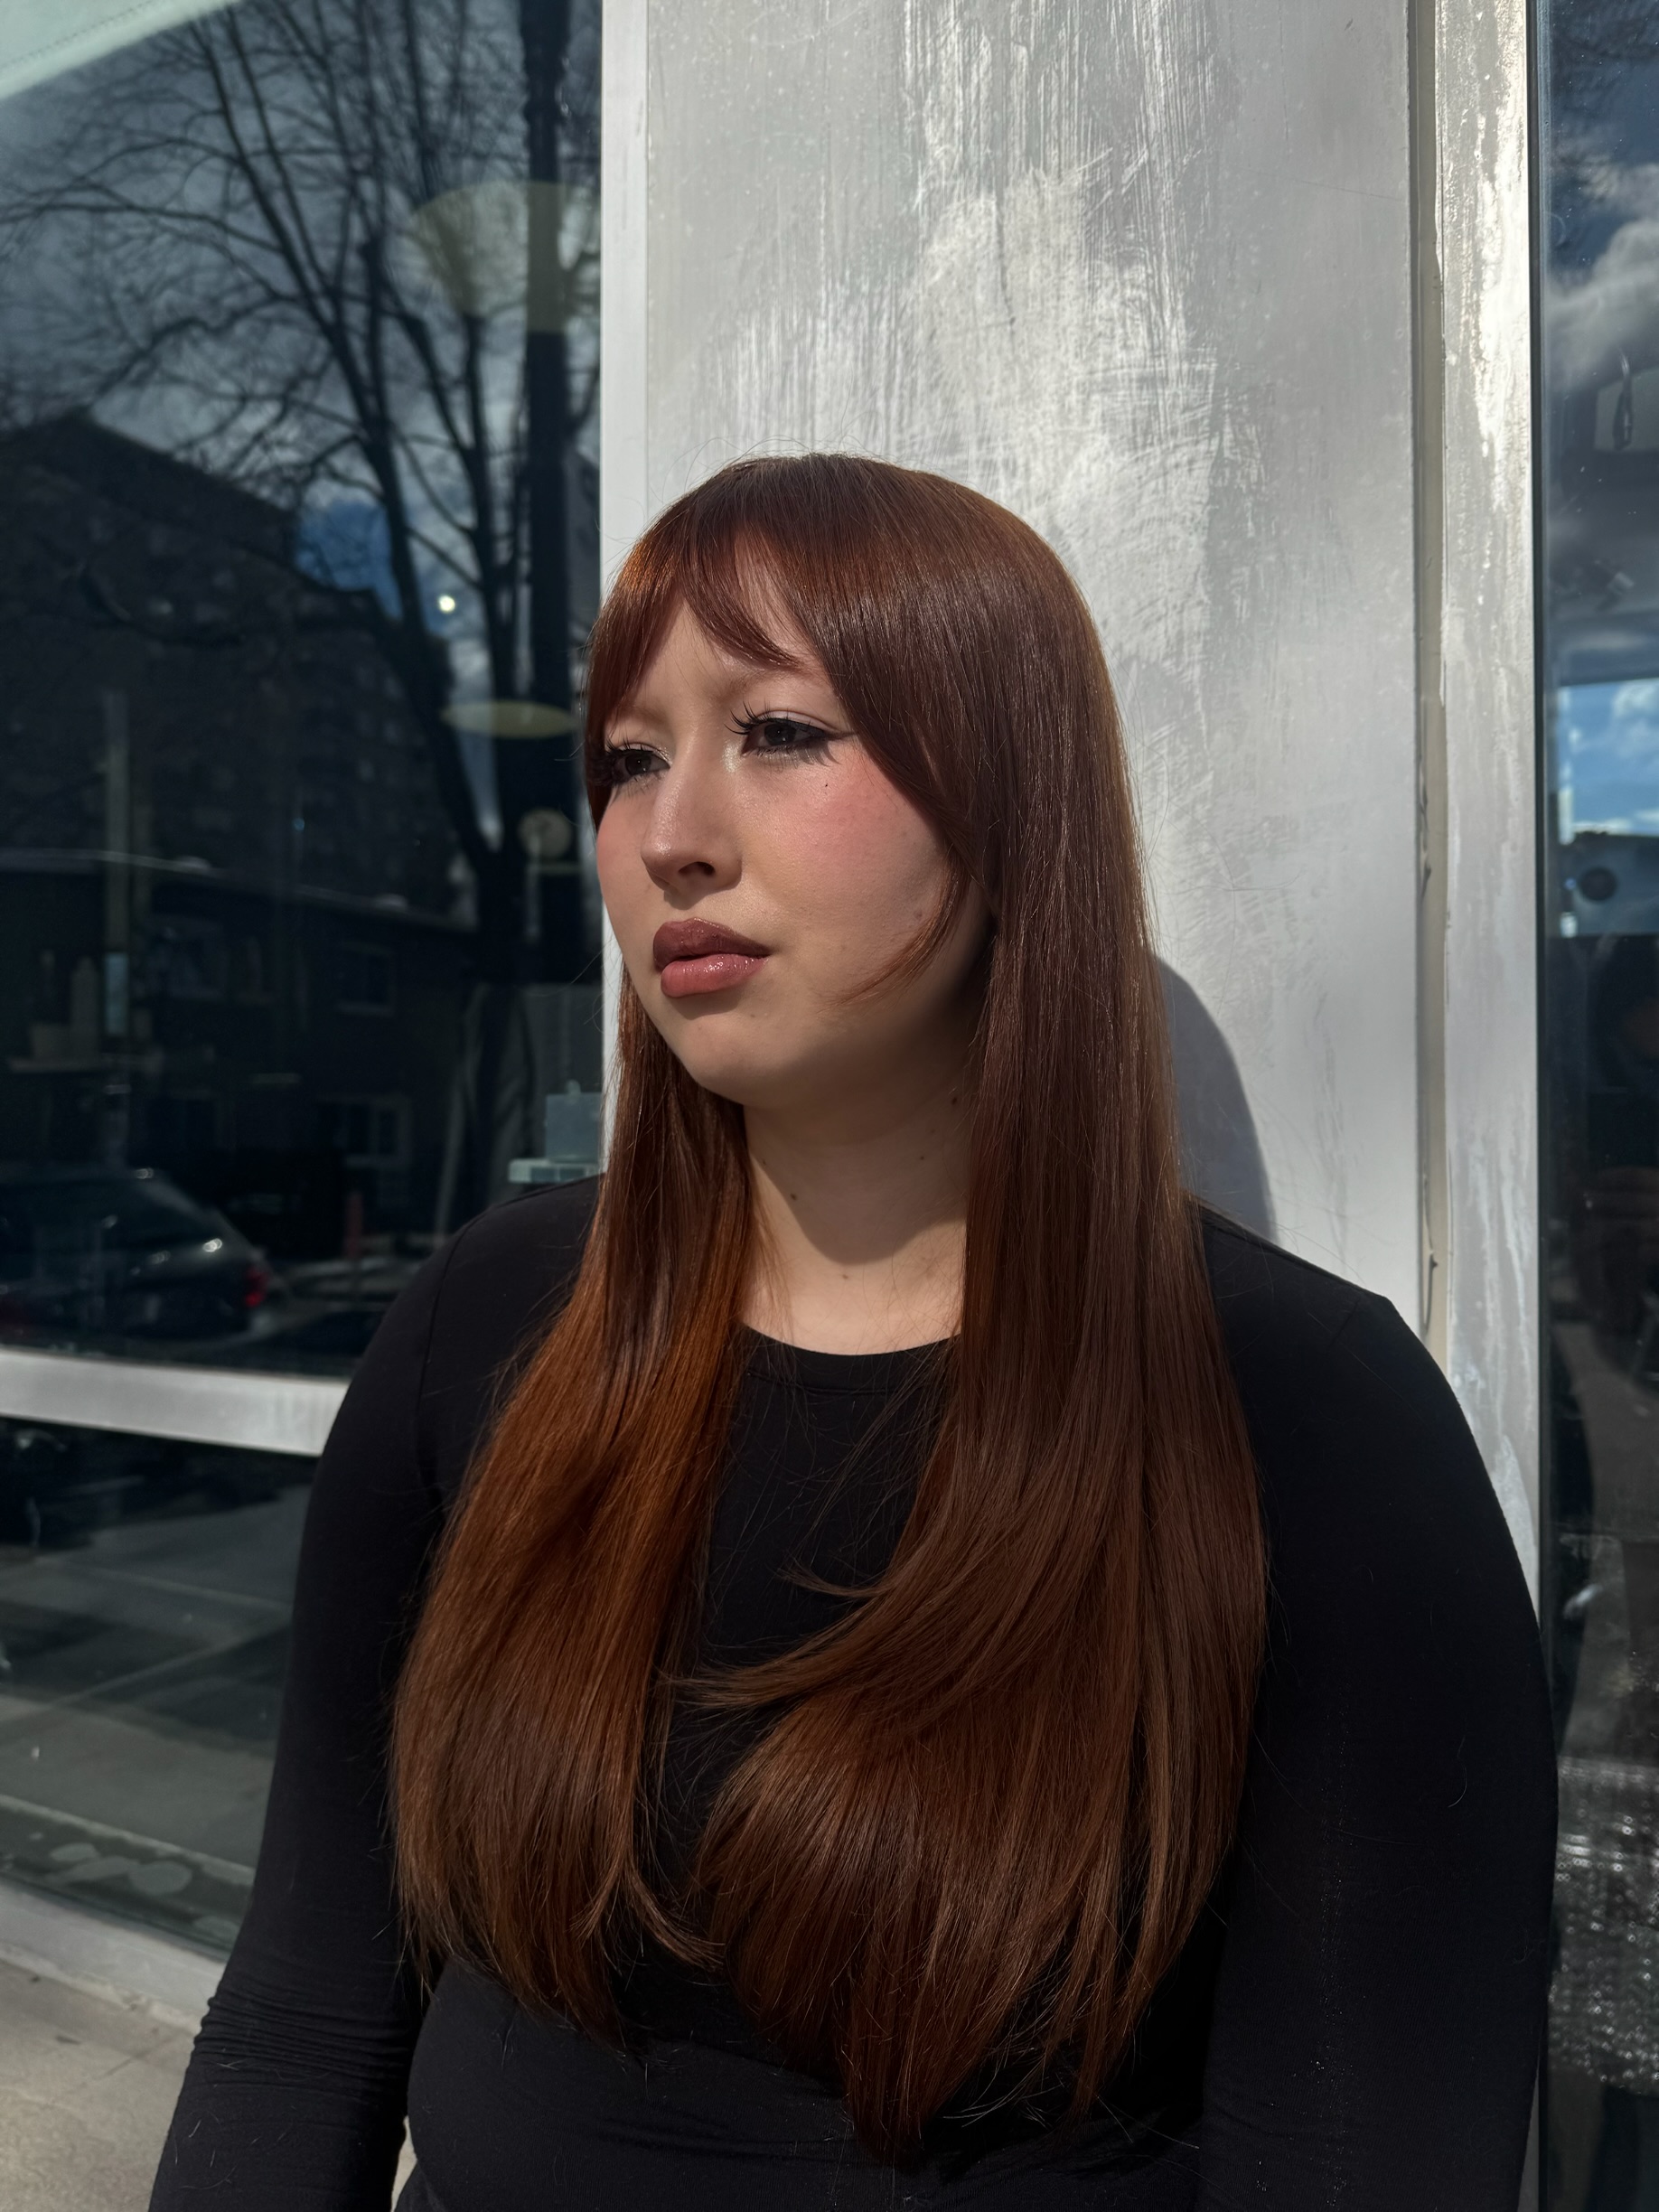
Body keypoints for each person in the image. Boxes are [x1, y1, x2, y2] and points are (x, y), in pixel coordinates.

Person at [150, 455, 1556, 2211]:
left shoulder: (1305, 1417)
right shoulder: (491, 1327)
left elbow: (1363, 2153)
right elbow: (303, 2015)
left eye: (781, 732)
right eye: (629, 759)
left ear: (1009, 799)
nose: (672, 834)